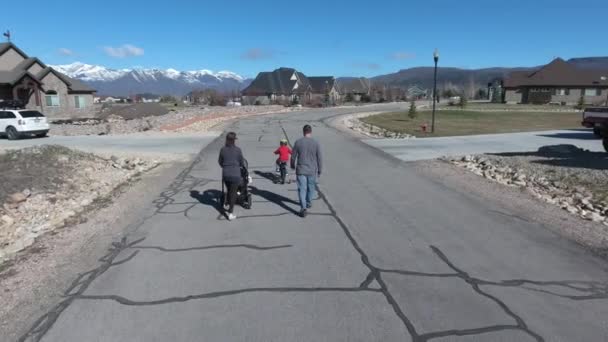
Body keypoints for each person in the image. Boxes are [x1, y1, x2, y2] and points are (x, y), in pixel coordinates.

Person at [290, 124, 322, 217]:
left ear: (303, 132)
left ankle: (303, 208)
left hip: (301, 170)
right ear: (311, 132)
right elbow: (319, 158)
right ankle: (308, 202)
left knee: (302, 189)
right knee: (311, 187)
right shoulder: (316, 143)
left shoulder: (298, 142)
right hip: (312, 170)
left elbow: (293, 156)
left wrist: (292, 165)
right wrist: (320, 170)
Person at [218, 132, 245, 221]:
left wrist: (225, 166)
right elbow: (241, 162)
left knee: (229, 190)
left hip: (226, 174)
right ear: (234, 140)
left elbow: (220, 161)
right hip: (235, 174)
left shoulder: (223, 149)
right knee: (233, 193)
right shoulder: (238, 150)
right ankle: (230, 213)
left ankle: (227, 203)